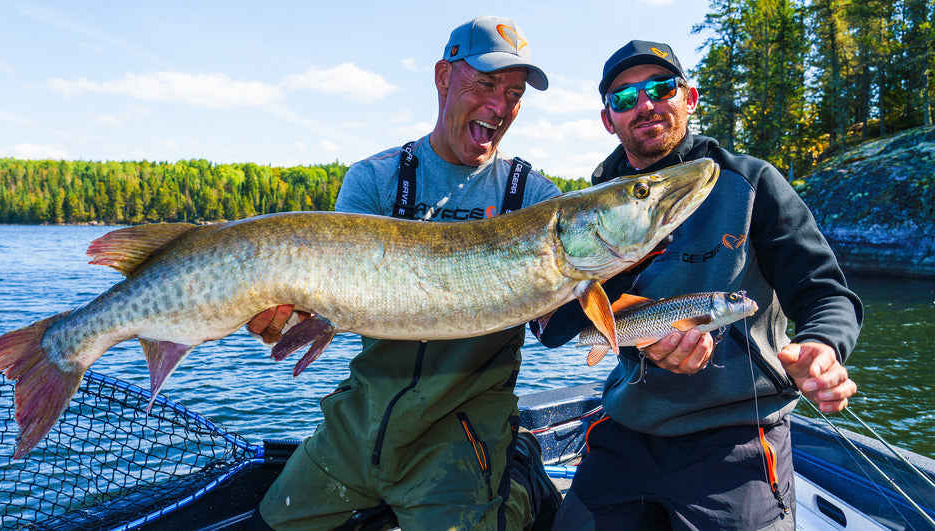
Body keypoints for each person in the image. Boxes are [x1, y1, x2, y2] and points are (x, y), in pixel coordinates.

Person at [251, 16, 568, 530]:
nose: (499, 106)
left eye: (514, 95)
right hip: (361, 419)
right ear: (443, 77)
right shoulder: (375, 180)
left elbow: (560, 325)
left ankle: (521, 479)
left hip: (461, 434)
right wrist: (283, 320)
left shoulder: (533, 200)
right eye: (485, 84)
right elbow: (323, 302)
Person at [541, 40, 864, 530]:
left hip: (737, 434)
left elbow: (824, 291)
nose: (645, 104)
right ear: (609, 120)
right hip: (628, 426)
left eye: (661, 88)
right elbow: (557, 329)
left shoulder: (751, 182)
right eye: (624, 98)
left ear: (689, 98)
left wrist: (822, 345)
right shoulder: (590, 212)